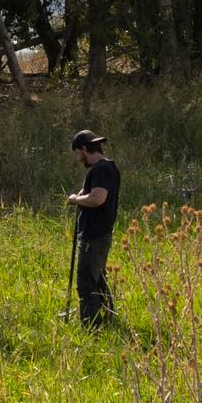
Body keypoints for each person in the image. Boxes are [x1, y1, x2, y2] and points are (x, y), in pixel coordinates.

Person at [65, 128, 121, 325]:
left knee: (86, 283)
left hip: (94, 236)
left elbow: (98, 198)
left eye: (79, 155)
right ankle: (108, 318)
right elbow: (94, 192)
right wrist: (82, 194)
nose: (79, 159)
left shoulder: (100, 169)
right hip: (100, 234)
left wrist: (75, 200)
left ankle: (91, 327)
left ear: (84, 149)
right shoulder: (108, 168)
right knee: (98, 279)